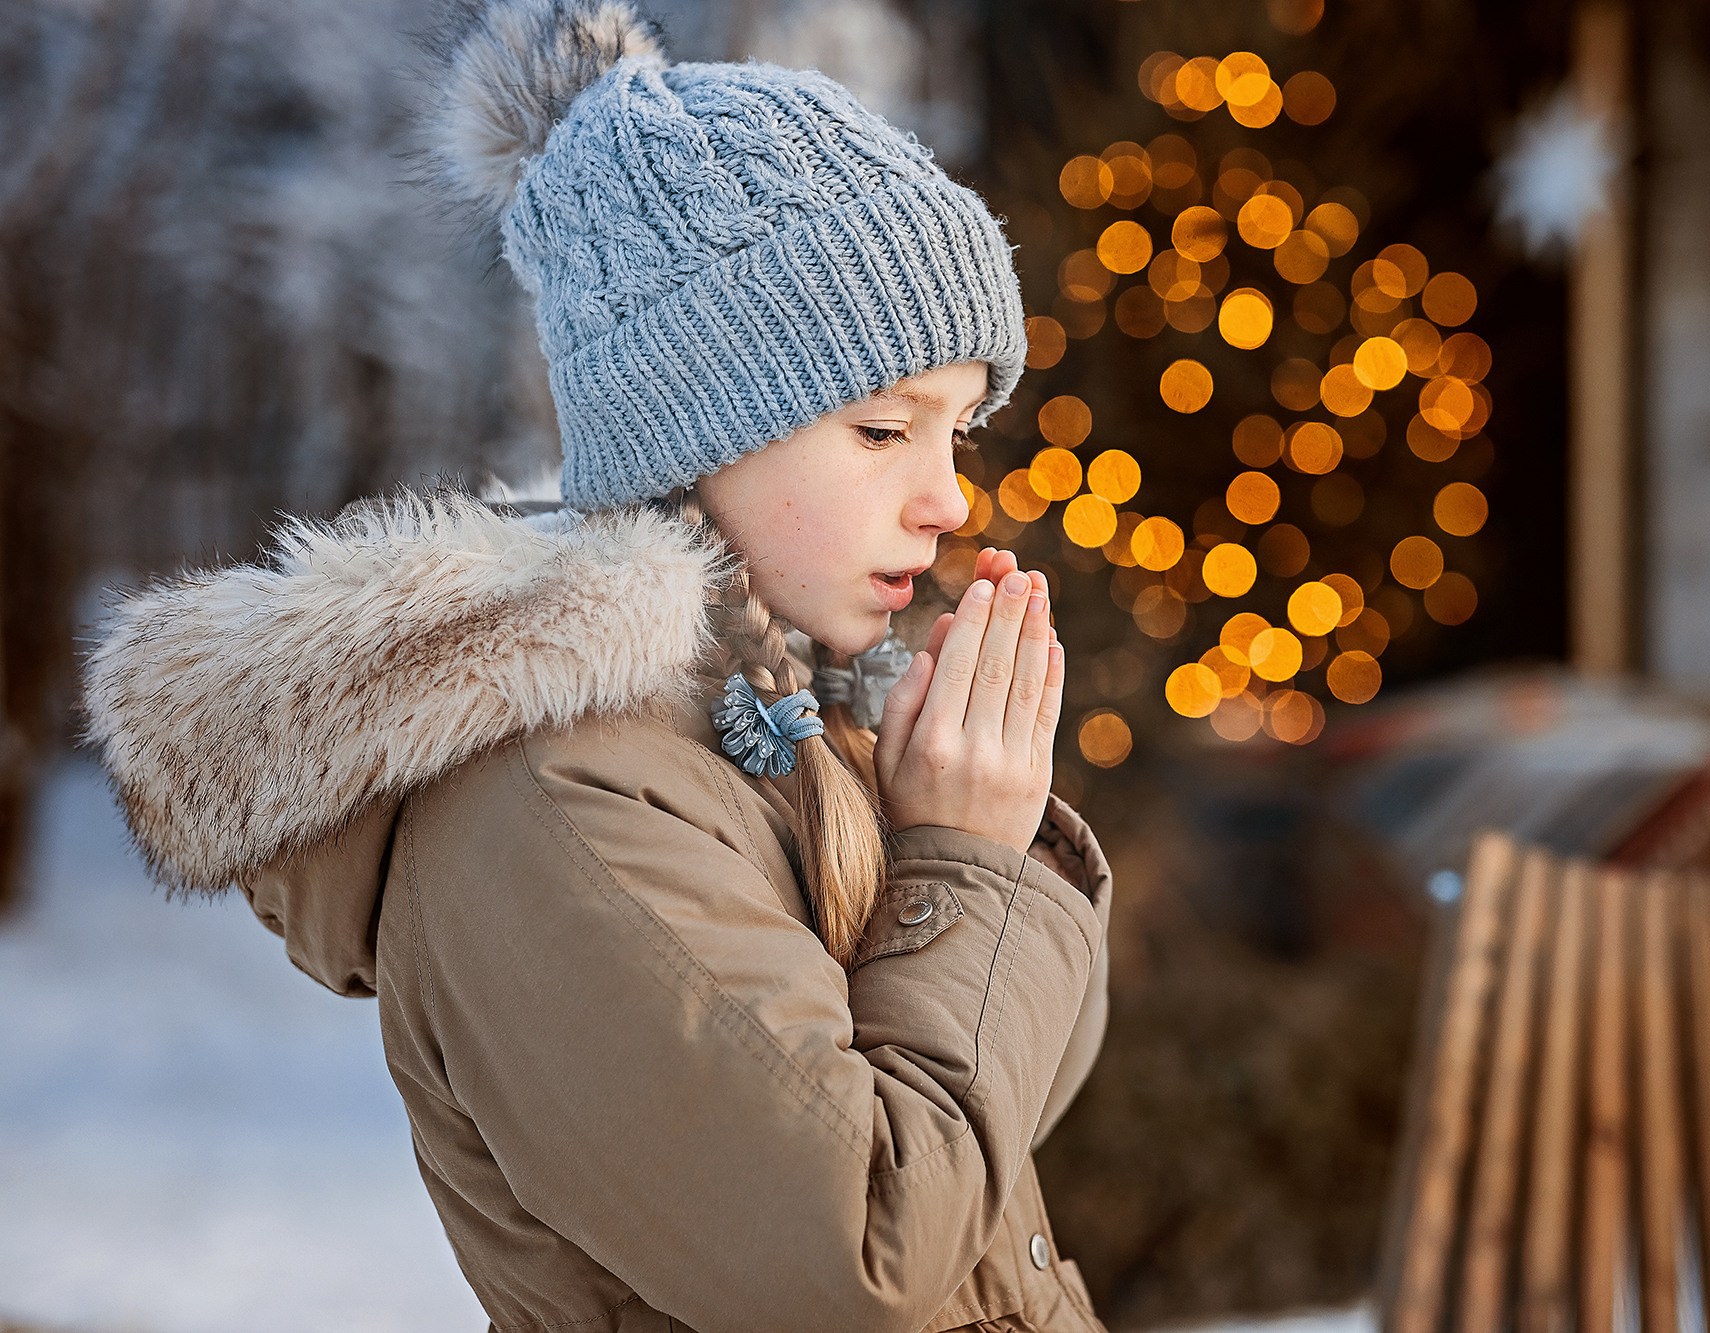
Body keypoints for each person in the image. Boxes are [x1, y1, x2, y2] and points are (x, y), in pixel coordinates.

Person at [80, 3, 1114, 1329]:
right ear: (693, 427)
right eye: (881, 429)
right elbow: (857, 1253)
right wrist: (964, 861)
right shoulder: (562, 800)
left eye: (956, 431)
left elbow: (1005, 1111)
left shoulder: (780, 713)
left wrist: (967, 828)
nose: (949, 500)